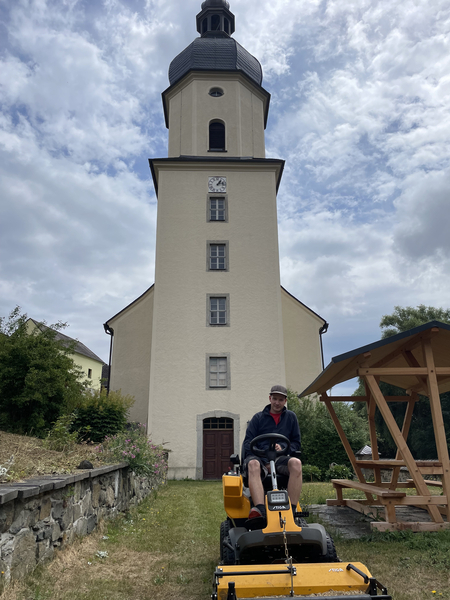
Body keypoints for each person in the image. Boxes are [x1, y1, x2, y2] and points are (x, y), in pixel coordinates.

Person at [243, 384, 302, 522]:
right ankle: (260, 510)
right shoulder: (257, 418)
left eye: (281, 400)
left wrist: (282, 447)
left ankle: (292, 510)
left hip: (280, 458)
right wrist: (264, 456)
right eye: (274, 398)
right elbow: (247, 443)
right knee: (252, 464)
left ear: (285, 401)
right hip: (259, 457)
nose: (277, 402)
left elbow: (296, 443)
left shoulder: (291, 418)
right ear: (270, 398)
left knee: (296, 463)